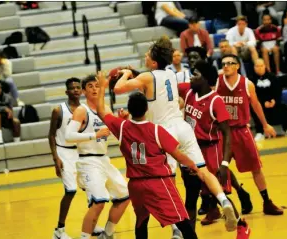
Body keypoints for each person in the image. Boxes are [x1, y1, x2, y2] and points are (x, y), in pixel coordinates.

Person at [112, 36, 238, 232]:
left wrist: (126, 74)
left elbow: (118, 88)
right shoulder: (172, 74)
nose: (144, 57)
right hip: (183, 127)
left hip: (164, 132)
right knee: (202, 171)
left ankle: (177, 230)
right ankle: (224, 201)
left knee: (169, 182)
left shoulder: (147, 77)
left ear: (153, 61)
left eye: (147, 55)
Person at [96, 71, 199, 239]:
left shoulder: (122, 127)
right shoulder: (157, 130)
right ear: (147, 108)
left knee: (141, 222)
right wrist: (195, 167)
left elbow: (101, 111)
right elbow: (178, 154)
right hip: (157, 182)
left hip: (136, 185)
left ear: (129, 109)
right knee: (182, 221)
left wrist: (101, 88)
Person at [178, 60, 251, 239]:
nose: (191, 77)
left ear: (205, 78)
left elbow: (227, 133)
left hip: (210, 150)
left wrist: (224, 163)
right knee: (191, 196)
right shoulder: (189, 91)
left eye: (195, 74)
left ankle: (242, 225)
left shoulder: (215, 101)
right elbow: (162, 84)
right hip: (189, 150)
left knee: (219, 194)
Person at [215, 54, 284, 215]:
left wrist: (265, 125)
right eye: (224, 63)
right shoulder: (218, 82)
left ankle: (267, 202)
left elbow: (256, 104)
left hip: (241, 130)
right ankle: (238, 194)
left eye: (230, 63)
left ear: (237, 66)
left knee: (256, 168)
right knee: (218, 169)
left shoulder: (247, 84)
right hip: (223, 132)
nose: (226, 66)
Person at [65, 75, 130, 239]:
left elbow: (114, 134)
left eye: (97, 85)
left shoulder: (105, 110)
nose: (94, 88)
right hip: (88, 160)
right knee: (98, 203)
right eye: (90, 86)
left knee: (125, 195)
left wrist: (122, 121)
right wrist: (95, 135)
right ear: (84, 91)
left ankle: (107, 233)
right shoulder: (81, 110)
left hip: (103, 159)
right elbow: (68, 136)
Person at [48, 78, 103, 239]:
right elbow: (51, 135)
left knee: (89, 188)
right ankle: (59, 230)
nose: (76, 90)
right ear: (67, 92)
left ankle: (92, 225)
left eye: (78, 87)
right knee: (70, 190)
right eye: (72, 88)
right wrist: (55, 158)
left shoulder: (85, 109)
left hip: (81, 152)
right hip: (64, 152)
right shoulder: (59, 110)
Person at [251, 59, 287, 141]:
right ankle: (260, 132)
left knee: (283, 107)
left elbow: (278, 91)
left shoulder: (272, 77)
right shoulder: (251, 80)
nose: (260, 68)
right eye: (257, 66)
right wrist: (263, 102)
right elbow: (253, 95)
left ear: (265, 66)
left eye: (261, 66)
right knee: (254, 109)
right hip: (260, 104)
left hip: (274, 102)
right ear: (254, 67)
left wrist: (274, 100)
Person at [0, 80, 21, 144]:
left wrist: (11, 115)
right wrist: (4, 108)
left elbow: (10, 110)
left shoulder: (8, 97)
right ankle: (0, 140)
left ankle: (17, 142)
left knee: (16, 121)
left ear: (1, 88)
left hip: (4, 117)